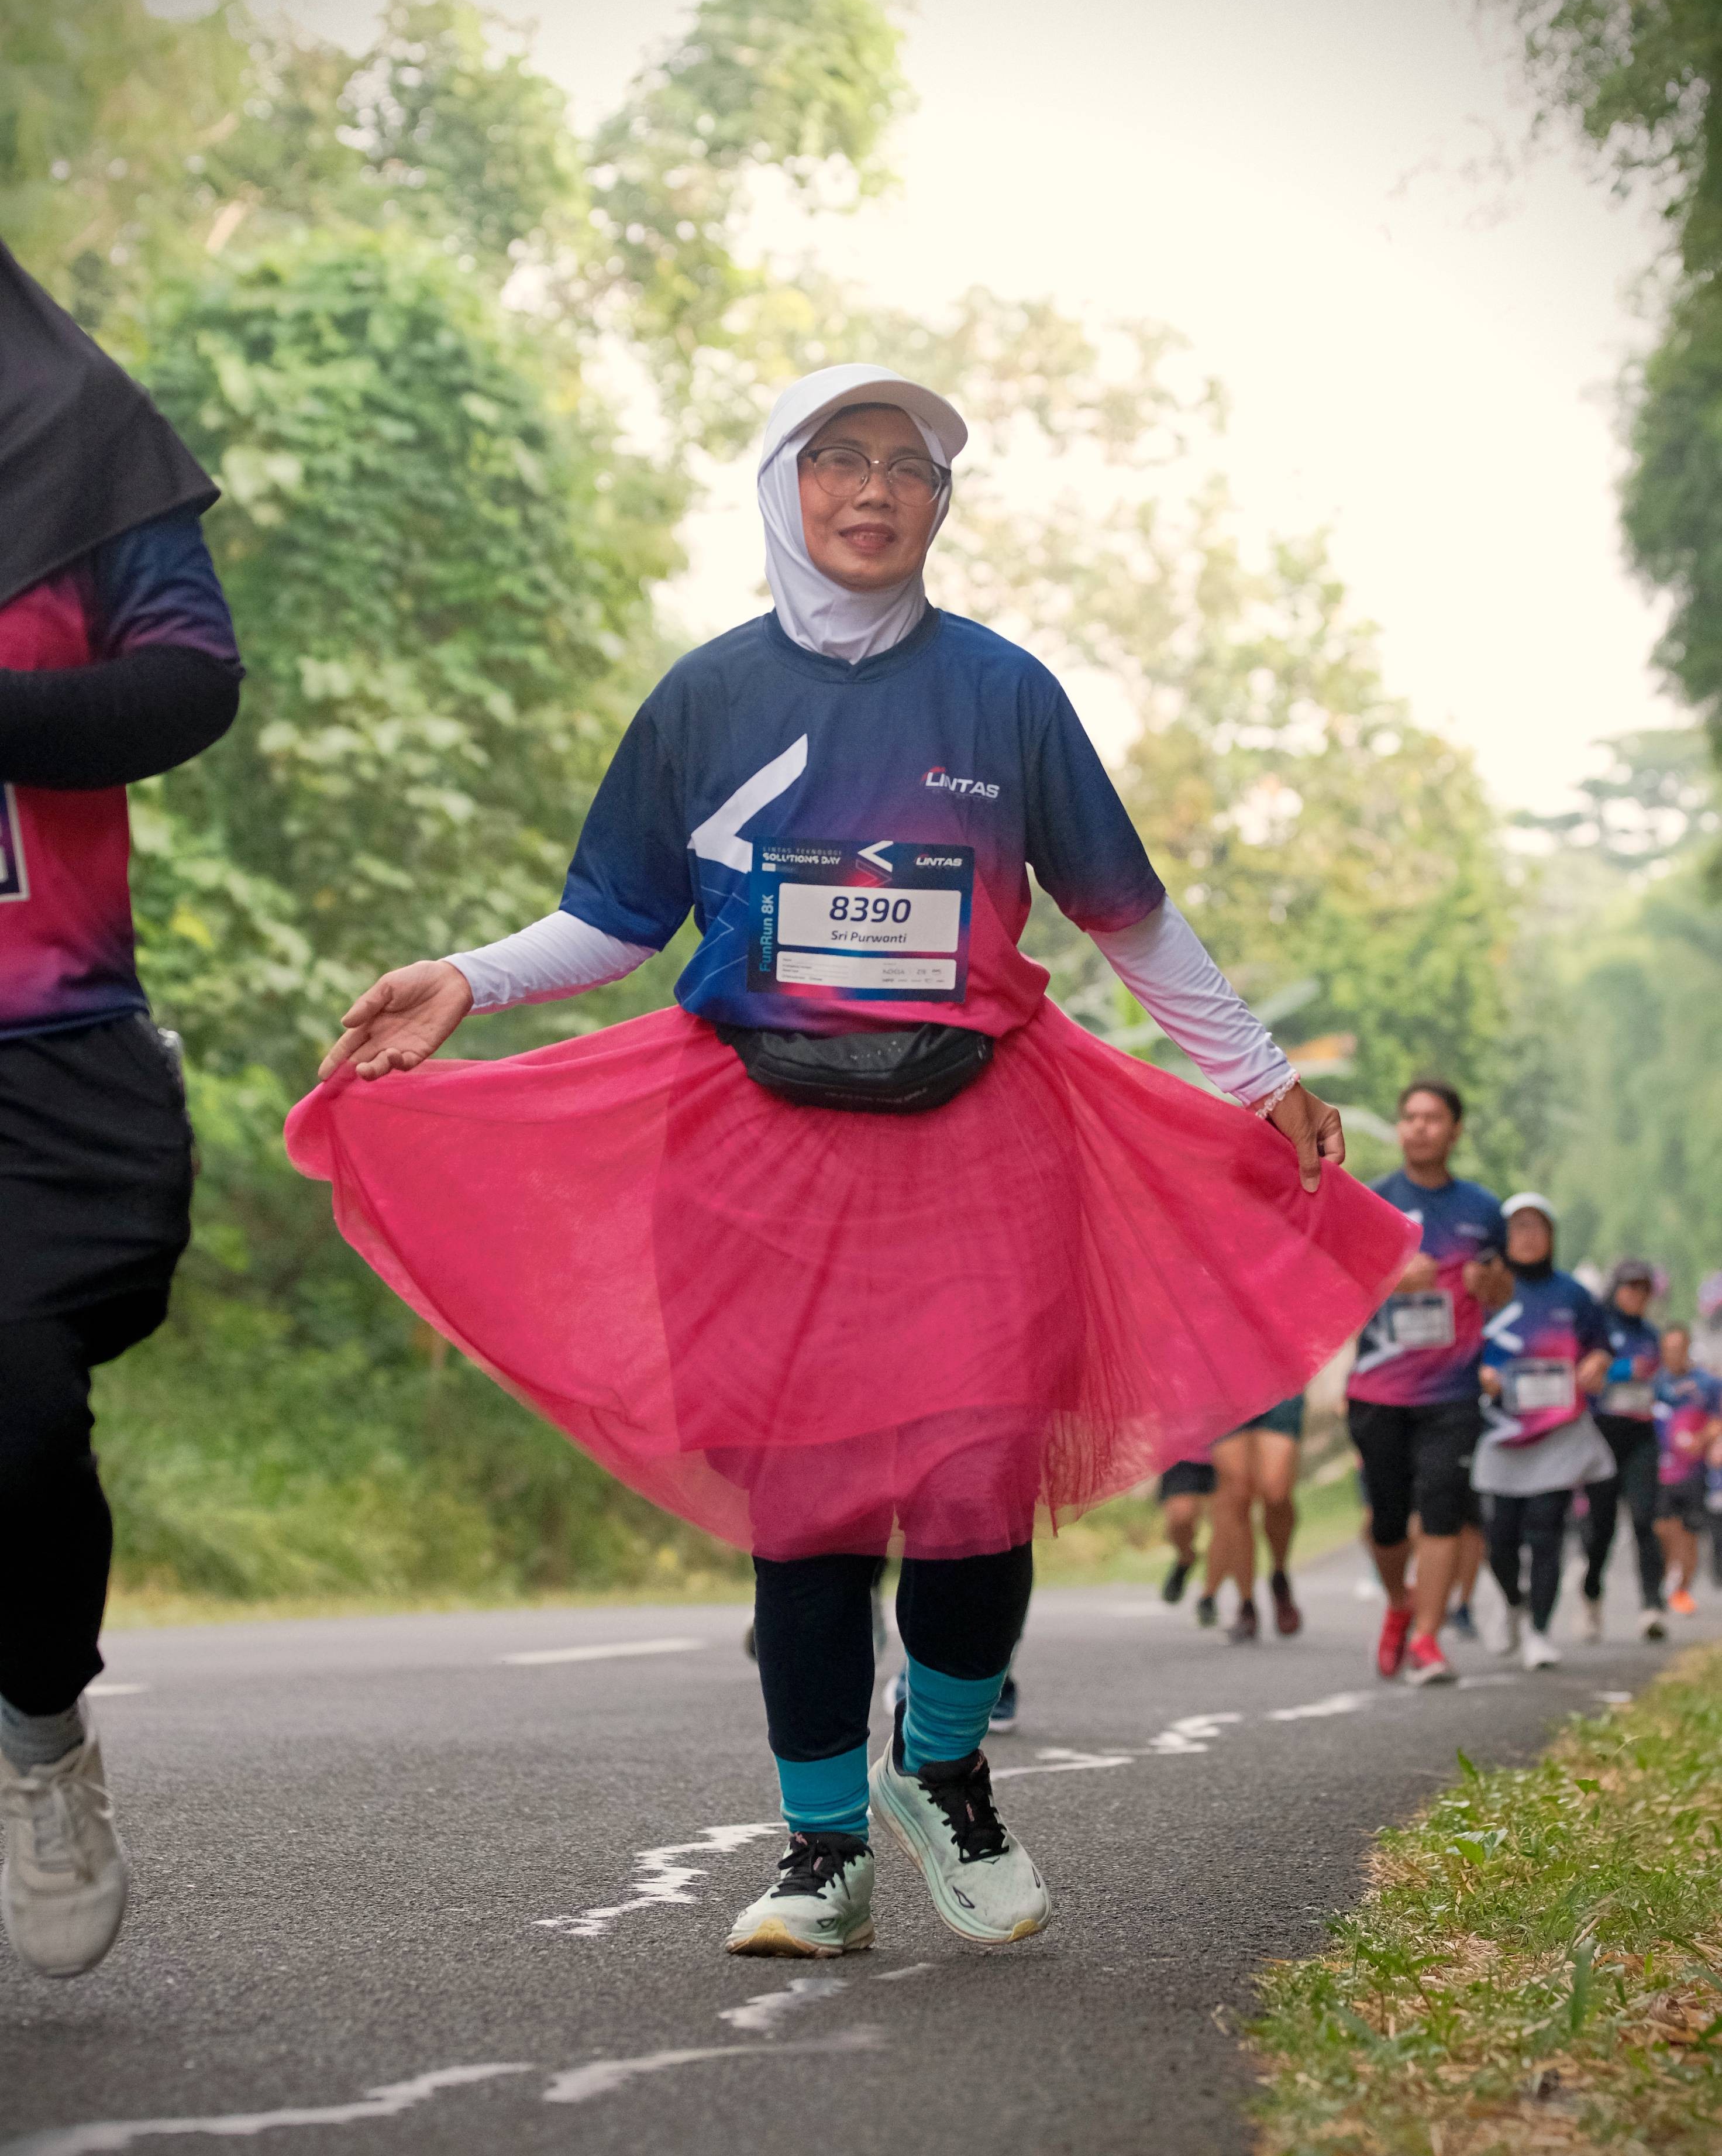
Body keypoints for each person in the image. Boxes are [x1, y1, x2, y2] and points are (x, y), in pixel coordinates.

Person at [288, 363, 1411, 1959]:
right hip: (751, 1149)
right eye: (839, 458)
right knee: (806, 1510)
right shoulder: (704, 698)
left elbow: (1125, 913)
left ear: (942, 506)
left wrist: (1259, 1073)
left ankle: (941, 1769)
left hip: (982, 1140)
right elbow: (614, 916)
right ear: (782, 485)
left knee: (975, 1487)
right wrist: (466, 978)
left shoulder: (1004, 694)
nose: (875, 489)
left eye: (909, 467)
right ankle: (820, 1852)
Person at [0, 242, 243, 1978]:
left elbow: (188, 678)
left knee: (15, 1408)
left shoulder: (75, 434)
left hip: (42, 1048)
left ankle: (39, 1735)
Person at [1346, 1080, 1511, 1687]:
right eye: (1410, 1117)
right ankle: (1399, 1603)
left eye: (1432, 1118)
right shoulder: (1372, 1201)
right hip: (1378, 1391)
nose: (1419, 1127)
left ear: (1455, 1130)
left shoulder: (1483, 1210)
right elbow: (1338, 1290)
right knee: (1387, 1523)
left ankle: (1427, 1640)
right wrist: (1392, 1278)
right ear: (1399, 1127)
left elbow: (1503, 1292)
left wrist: (1488, 1287)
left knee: (1442, 1511)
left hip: (1452, 1391)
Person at [1475, 1194, 1613, 1670]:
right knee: (1500, 1539)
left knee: (1546, 1531)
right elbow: (1459, 1348)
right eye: (1518, 1227)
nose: (1528, 1237)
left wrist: (1596, 1364)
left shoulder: (1574, 1294)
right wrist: (1480, 1375)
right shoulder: (1487, 1290)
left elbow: (1600, 1345)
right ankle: (1512, 1601)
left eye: (1537, 1227)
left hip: (1558, 1431)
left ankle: (1539, 1631)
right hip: (1500, 1433)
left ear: (1552, 1237)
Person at [1580, 1257, 1668, 1641]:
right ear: (1616, 1288)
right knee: (1602, 1527)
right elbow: (1584, 1371)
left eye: (1644, 1289)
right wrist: (1622, 1370)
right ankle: (1591, 1594)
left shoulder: (1650, 1333)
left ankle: (1652, 1604)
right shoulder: (1598, 1326)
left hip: (1640, 1433)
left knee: (1646, 1519)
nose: (1638, 1295)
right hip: (1603, 1432)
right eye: (1631, 1287)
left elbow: (1660, 1381)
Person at [1207, 1397, 1306, 1641]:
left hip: (1277, 1385)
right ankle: (1246, 1602)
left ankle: (1279, 1574)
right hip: (1221, 1388)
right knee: (1237, 1495)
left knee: (1276, 1492)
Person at [1651, 1323, 1722, 1615]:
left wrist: (1702, 1441)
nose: (1673, 1355)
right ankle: (1670, 1572)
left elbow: (1718, 1420)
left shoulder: (1707, 1383)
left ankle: (1682, 1589)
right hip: (1661, 1468)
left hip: (1694, 1471)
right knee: (1662, 1526)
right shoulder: (1656, 1382)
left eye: (1678, 1349)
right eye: (1668, 1350)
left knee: (1690, 1530)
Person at [1158, 1459, 1214, 1617]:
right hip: (1184, 1455)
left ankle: (1209, 1595)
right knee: (1180, 1517)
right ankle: (1186, 1558)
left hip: (1225, 1449)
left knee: (1227, 1522)